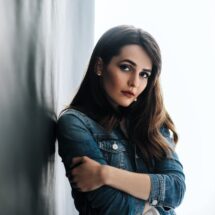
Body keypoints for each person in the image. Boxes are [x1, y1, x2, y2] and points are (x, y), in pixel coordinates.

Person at [56, 25, 186, 215]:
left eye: (144, 74)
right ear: (100, 66)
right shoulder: (75, 123)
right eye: (126, 67)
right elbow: (111, 206)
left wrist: (106, 174)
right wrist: (153, 206)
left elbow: (176, 190)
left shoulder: (153, 122)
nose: (134, 82)